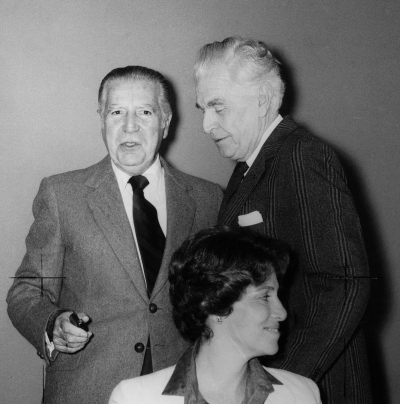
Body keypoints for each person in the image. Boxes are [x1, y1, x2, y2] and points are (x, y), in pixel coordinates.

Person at [7, 66, 223, 404]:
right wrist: (52, 325)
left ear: (165, 121)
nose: (130, 126)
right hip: (88, 390)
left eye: (145, 112)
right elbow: (27, 291)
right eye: (116, 112)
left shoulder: (208, 199)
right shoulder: (63, 195)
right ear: (102, 120)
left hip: (182, 390)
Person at [194, 37, 371, 404]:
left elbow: (344, 284)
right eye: (203, 108)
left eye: (217, 107)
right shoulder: (249, 167)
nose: (207, 124)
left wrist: (280, 385)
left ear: (261, 100)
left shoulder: (303, 156)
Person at [109, 226, 322, 404]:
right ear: (212, 305)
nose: (282, 313)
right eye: (264, 297)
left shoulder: (302, 394)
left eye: (278, 296)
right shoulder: (135, 398)